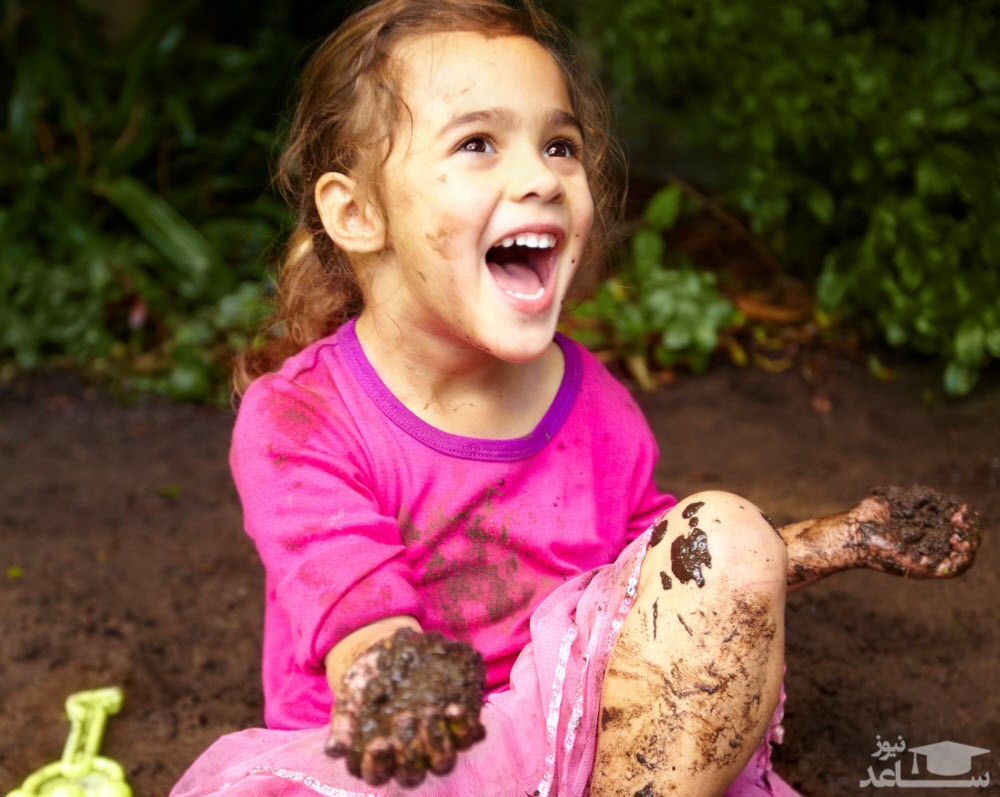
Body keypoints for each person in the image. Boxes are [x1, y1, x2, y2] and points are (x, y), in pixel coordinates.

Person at [171, 1, 979, 794]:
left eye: (559, 145)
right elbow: (365, 633)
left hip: (587, 739)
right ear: (356, 213)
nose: (542, 178)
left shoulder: (594, 404)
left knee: (723, 527)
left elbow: (665, 575)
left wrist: (840, 538)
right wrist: (406, 699)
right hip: (410, 763)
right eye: (478, 143)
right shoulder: (302, 419)